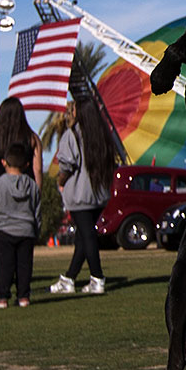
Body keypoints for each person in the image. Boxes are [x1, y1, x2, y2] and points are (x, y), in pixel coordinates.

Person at [0, 97, 44, 299]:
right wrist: (36, 193)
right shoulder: (31, 138)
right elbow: (38, 170)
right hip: (24, 192)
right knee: (23, 246)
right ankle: (23, 290)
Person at [50, 101, 115, 295]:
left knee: (87, 236)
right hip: (99, 194)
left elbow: (66, 165)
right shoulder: (103, 135)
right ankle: (69, 278)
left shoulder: (73, 135)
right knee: (83, 237)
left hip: (79, 194)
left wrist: (60, 181)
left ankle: (97, 277)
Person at [0, 143, 41, 308]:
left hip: (3, 230)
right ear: (26, 165)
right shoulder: (32, 186)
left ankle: (2, 297)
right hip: (26, 230)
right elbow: (37, 211)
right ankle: (23, 297)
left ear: (4, 162)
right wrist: (36, 231)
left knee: (4, 266)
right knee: (24, 267)